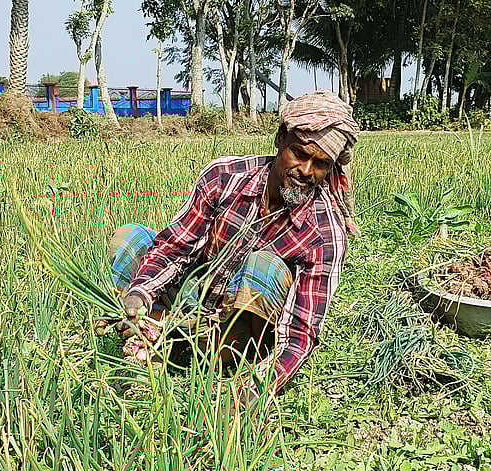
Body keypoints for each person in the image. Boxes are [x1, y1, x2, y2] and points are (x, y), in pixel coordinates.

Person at [108, 90, 360, 402]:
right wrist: (140, 292)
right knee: (130, 237)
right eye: (300, 154)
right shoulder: (224, 177)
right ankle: (143, 336)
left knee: (262, 264)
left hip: (239, 334)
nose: (307, 171)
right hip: (195, 297)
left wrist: (255, 391)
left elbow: (299, 333)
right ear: (281, 138)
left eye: (321, 164)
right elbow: (176, 246)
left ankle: (197, 354)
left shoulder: (325, 232)